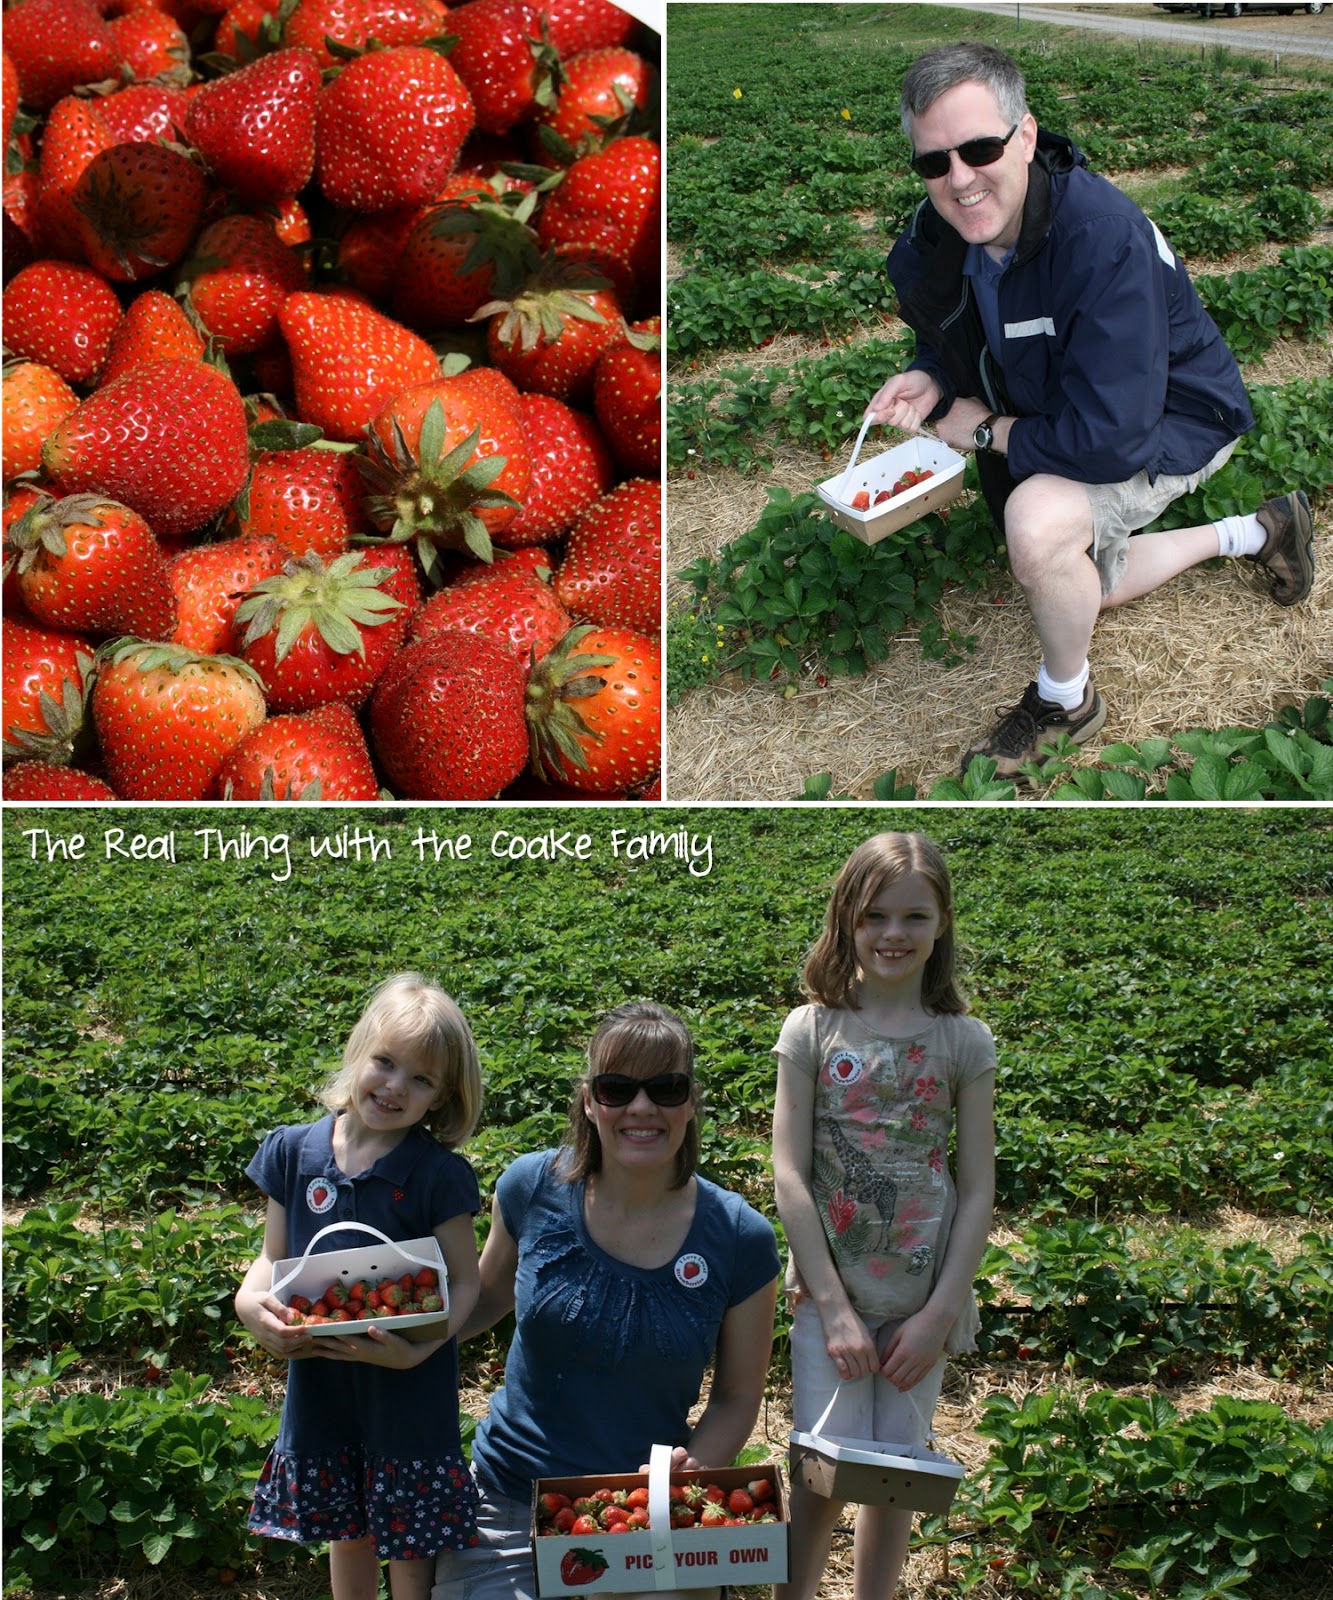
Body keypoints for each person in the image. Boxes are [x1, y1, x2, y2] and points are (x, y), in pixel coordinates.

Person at [867, 41, 1315, 777]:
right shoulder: (942, 232)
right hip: (1070, 403)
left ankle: (1066, 699)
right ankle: (1258, 530)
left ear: (1027, 135)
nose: (958, 179)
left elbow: (1111, 436)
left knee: (1039, 530)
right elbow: (950, 332)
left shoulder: (1099, 241)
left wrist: (982, 430)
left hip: (1172, 417)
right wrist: (930, 380)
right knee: (1080, 586)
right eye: (932, 162)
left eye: (980, 148)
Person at [430, 1000, 781, 1600]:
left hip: (642, 1513)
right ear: (589, 1101)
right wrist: (384, 1340)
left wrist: (682, 1477)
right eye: (617, 1089)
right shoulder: (531, 1187)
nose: (642, 1108)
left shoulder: (738, 1237)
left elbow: (737, 1397)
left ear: (691, 1101)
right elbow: (484, 1300)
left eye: (665, 1088)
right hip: (511, 1497)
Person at [771, 833, 996, 1600]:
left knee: (895, 1474)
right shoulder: (811, 1031)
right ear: (844, 922)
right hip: (829, 1299)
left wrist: (939, 1313)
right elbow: (789, 1174)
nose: (892, 934)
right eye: (874, 916)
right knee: (820, 1467)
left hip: (918, 1302)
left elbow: (974, 1189)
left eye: (913, 916)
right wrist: (831, 1307)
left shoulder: (962, 1041)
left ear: (941, 926)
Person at [235, 973, 486, 1600]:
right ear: (358, 1052)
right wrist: (250, 1304)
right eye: (386, 1062)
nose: (396, 1086)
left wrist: (424, 1348)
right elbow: (274, 1258)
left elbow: (465, 1279)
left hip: (407, 1382)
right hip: (324, 1376)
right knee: (346, 1528)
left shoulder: (436, 1175)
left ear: (443, 1098)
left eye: (422, 1079)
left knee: (408, 1534)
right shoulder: (294, 1153)